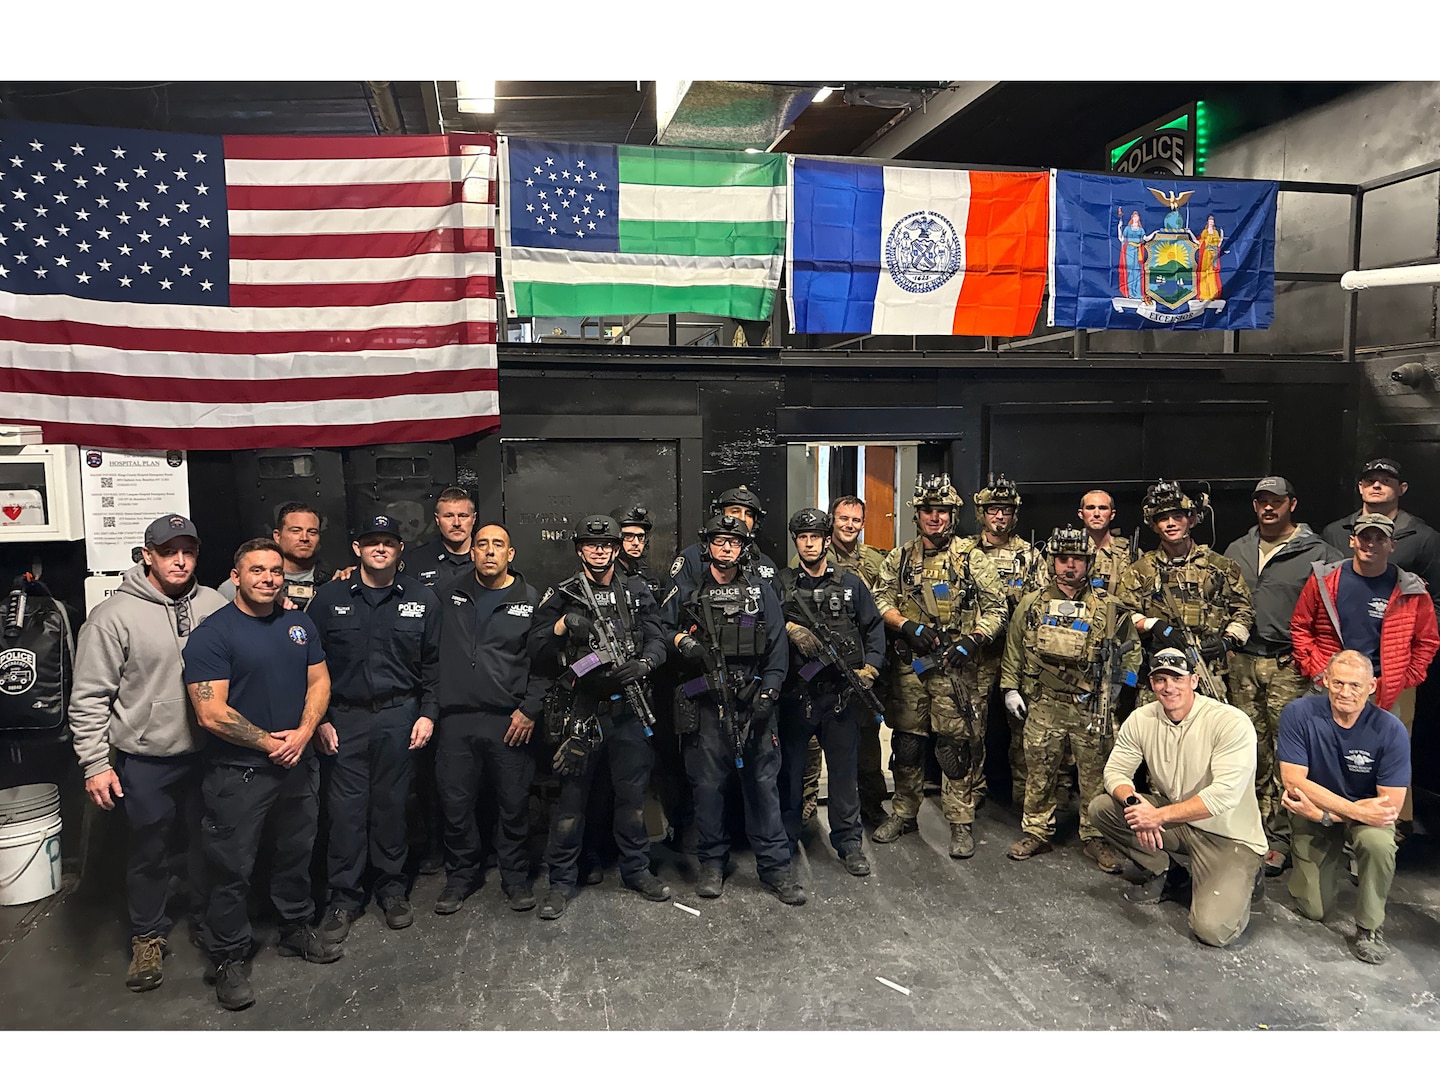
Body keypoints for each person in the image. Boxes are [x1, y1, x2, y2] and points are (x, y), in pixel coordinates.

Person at [68, 514, 227, 993]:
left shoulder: (215, 604)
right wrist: (95, 763)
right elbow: (90, 696)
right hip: (147, 756)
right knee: (149, 850)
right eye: (168, 551)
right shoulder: (114, 616)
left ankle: (207, 922)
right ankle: (147, 935)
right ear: (147, 556)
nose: (180, 561)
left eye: (189, 551)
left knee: (209, 845)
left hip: (209, 753)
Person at [182, 538, 335, 1011]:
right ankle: (227, 956)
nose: (268, 579)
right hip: (239, 774)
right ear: (236, 577)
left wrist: (305, 732)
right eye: (257, 571)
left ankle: (294, 928)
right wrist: (273, 743)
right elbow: (210, 712)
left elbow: (320, 681)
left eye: (274, 571)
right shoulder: (214, 634)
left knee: (296, 853)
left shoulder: (298, 623)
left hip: (297, 766)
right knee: (231, 868)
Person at [529, 515, 672, 920]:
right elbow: (535, 647)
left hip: (627, 710)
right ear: (579, 550)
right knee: (571, 804)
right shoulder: (563, 593)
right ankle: (560, 882)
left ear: (616, 549)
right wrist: (561, 625)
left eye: (607, 545)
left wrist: (645, 663)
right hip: (583, 712)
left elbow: (659, 637)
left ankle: (636, 870)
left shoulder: (637, 591)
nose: (599, 551)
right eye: (592, 545)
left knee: (631, 801)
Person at [308, 515, 440, 941]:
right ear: (356, 549)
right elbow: (309, 667)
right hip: (344, 718)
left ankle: (392, 889)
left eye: (388, 542)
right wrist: (320, 720)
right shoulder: (328, 600)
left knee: (393, 806)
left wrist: (428, 713)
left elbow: (435, 663)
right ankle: (344, 898)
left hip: (399, 715)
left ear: (400, 550)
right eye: (371, 542)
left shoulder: (423, 599)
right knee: (345, 812)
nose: (379, 548)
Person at [661, 514, 800, 905]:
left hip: (754, 702)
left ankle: (775, 869)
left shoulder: (760, 590)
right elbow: (658, 628)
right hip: (706, 706)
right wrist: (682, 643)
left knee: (762, 786)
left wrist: (769, 694)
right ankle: (712, 864)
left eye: (734, 542)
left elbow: (777, 647)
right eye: (720, 541)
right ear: (708, 545)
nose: (726, 548)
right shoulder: (689, 591)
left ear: (744, 548)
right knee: (707, 789)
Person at [1090, 648, 1266, 948]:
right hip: (1181, 823)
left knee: (1213, 931)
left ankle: (1249, 874)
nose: (1168, 687)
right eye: (1160, 679)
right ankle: (1169, 873)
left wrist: (1156, 816)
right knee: (1103, 808)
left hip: (1228, 835)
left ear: (1194, 680)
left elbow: (1224, 794)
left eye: (1176, 678)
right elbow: (1115, 772)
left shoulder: (1230, 722)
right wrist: (1136, 807)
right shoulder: (1142, 718)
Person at [872, 474, 1008, 858]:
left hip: (954, 670)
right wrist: (905, 624)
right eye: (928, 511)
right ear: (918, 515)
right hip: (911, 668)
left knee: (954, 749)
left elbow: (998, 607)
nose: (935, 518)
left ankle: (961, 823)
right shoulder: (900, 558)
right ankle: (904, 812)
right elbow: (880, 598)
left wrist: (974, 639)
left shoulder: (971, 558)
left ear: (953, 515)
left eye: (943, 511)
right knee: (908, 744)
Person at [1221, 476, 1344, 876]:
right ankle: (1251, 828)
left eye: (1276, 501)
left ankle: (1283, 838)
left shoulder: (1320, 552)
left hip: (1287, 666)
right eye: (1261, 502)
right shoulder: (1237, 549)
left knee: (1288, 755)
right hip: (1241, 662)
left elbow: (1331, 614)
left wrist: (1315, 660)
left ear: (1292, 503)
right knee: (1248, 750)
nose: (1268, 508)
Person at [1289, 512, 1438, 831]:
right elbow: (1301, 627)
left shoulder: (1410, 588)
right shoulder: (1325, 580)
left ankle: (1369, 836)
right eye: (1365, 537)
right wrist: (1319, 672)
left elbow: (1427, 641)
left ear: (1392, 545)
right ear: (1352, 541)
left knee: (1375, 767)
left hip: (1382, 693)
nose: (1371, 544)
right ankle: (1315, 831)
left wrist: (1402, 677)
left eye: (1380, 538)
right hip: (1328, 689)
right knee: (1317, 761)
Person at [1000, 526, 1137, 871]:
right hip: (1044, 704)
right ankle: (1036, 830)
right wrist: (1010, 688)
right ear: (1052, 562)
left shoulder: (1109, 608)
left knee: (1096, 776)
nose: (1070, 566)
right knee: (1040, 773)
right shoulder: (1032, 604)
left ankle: (1096, 836)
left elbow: (1131, 652)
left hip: (1091, 705)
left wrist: (1119, 691)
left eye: (1077, 559)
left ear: (1089, 562)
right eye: (1063, 559)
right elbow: (1014, 648)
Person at [433, 523, 549, 916]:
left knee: (513, 803)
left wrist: (531, 708)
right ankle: (461, 876)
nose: (489, 551)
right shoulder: (447, 594)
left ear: (510, 554)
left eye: (498, 545)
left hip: (509, 720)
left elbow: (544, 663)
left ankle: (515, 877)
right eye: (481, 544)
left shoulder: (531, 600)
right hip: (456, 720)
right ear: (472, 552)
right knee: (456, 804)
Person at [1277, 651, 1410, 964]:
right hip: (1318, 811)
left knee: (1377, 842)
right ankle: (1330, 860)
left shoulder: (1391, 730)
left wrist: (1329, 814)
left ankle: (1370, 926)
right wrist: (1351, 812)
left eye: (1355, 685)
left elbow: (1390, 807)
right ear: (1325, 681)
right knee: (1314, 909)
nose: (1345, 692)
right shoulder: (1298, 713)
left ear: (1372, 686)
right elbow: (1294, 781)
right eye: (1337, 683)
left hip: (1335, 811)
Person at [776, 508, 886, 877]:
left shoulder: (851, 584)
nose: (809, 543)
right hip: (797, 695)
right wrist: (790, 627)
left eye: (816, 537)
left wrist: (870, 667)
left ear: (827, 540)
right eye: (802, 537)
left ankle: (849, 843)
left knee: (843, 774)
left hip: (840, 695)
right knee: (790, 774)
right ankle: (787, 841)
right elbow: (763, 623)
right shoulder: (781, 583)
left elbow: (873, 628)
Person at [1114, 479, 1254, 703]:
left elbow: (1244, 610)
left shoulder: (1220, 567)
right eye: (1162, 519)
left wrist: (1228, 641)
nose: (1170, 523)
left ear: (1191, 520)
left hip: (1208, 672)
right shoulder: (1141, 570)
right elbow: (1122, 614)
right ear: (1154, 525)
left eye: (1177, 517)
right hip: (1161, 672)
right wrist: (1154, 625)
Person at [971, 476, 1043, 804]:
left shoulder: (1029, 556)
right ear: (981, 513)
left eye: (1006, 511)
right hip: (978, 653)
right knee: (972, 726)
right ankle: (970, 792)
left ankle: (1023, 797)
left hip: (1018, 653)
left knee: (1021, 727)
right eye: (993, 510)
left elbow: (1041, 604)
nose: (999, 517)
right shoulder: (966, 552)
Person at [827, 495, 890, 828]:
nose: (849, 525)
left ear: (863, 523)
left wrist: (874, 665)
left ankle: (872, 803)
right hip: (826, 664)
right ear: (832, 519)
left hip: (864, 662)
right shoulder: (815, 557)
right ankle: (811, 803)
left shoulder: (877, 560)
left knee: (867, 737)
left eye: (855, 520)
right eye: (843, 518)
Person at [1321, 458, 1440, 600]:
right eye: (1370, 481)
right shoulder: (1335, 532)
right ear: (1360, 487)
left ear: (1402, 488)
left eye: (1386, 481)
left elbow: (1436, 599)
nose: (1376, 486)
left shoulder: (1423, 538)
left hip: (1398, 618)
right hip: (1343, 617)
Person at [667, 485, 779, 597]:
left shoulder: (766, 564)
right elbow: (672, 608)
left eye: (749, 514)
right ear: (719, 514)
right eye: (735, 511)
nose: (743, 518)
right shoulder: (691, 558)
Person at [217, 501, 331, 611]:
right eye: (296, 531)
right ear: (277, 536)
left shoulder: (333, 581)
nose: (304, 538)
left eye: (312, 532)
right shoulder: (240, 586)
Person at [404, 487, 479, 597]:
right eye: (449, 516)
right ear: (437, 519)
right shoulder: (416, 560)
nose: (456, 523)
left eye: (463, 516)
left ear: (473, 518)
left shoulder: (489, 557)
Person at [1076, 489, 1136, 593]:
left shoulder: (1128, 552)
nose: (1096, 514)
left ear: (1112, 514)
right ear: (1081, 514)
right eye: (1090, 508)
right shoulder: (1068, 550)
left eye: (1102, 508)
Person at [612, 504, 662, 595]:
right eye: (628, 536)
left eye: (640, 537)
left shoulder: (646, 575)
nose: (636, 543)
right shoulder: (606, 576)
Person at [1194, 214, 1224, 302]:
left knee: (1212, 274)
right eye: (1210, 221)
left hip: (1213, 254)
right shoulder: (1205, 232)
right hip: (1205, 254)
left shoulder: (1215, 232)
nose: (1211, 223)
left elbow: (1218, 243)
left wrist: (1221, 238)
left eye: (1212, 222)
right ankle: (1203, 295)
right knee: (1203, 274)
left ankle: (1213, 294)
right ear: (1207, 222)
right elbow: (1200, 242)